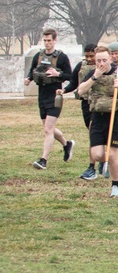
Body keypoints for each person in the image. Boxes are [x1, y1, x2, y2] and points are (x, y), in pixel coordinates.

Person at [76, 45, 118, 196]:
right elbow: (80, 91)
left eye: (104, 60)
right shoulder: (92, 74)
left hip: (114, 117)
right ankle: (105, 163)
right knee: (97, 154)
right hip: (97, 117)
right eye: (98, 61)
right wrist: (94, 77)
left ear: (111, 58)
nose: (101, 63)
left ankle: (115, 185)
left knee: (112, 154)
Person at [25, 28, 74, 170]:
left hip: (55, 96)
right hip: (42, 96)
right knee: (48, 128)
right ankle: (67, 144)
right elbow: (32, 71)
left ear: (54, 40)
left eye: (49, 41)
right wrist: (28, 79)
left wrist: (57, 74)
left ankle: (43, 160)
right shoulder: (38, 56)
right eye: (45, 40)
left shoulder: (62, 57)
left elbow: (70, 76)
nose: (47, 43)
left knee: (48, 129)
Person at [62, 44, 97, 178]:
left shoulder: (104, 67)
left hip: (99, 104)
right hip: (85, 102)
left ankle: (93, 165)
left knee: (93, 132)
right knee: (91, 131)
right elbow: (73, 83)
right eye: (86, 56)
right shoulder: (80, 66)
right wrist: (64, 90)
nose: (88, 59)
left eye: (91, 56)